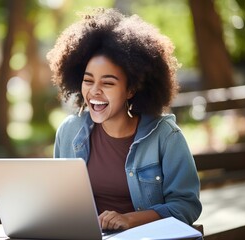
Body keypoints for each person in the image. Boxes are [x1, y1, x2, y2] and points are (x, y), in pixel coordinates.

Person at [46, 8, 202, 231]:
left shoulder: (165, 136)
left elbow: (186, 206)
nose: (94, 91)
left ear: (131, 89)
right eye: (88, 81)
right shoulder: (69, 132)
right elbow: (60, 201)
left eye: (108, 83)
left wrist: (129, 219)